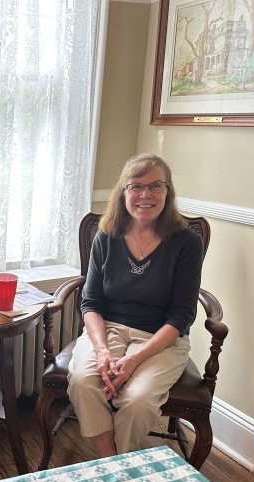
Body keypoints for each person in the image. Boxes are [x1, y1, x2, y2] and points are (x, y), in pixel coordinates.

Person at [67, 153, 203, 459]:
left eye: (156, 186)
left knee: (137, 400)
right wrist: (102, 350)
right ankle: (111, 463)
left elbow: (182, 315)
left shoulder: (186, 243)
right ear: (123, 192)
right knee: (82, 381)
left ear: (168, 193)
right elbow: (90, 303)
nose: (146, 195)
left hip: (161, 340)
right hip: (109, 330)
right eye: (136, 186)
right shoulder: (107, 237)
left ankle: (120, 464)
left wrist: (132, 361)